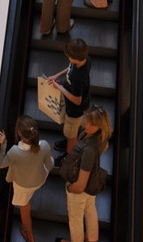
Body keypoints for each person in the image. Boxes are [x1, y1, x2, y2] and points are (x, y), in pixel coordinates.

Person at [0, 115, 53, 242]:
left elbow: (1, 164)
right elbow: (50, 165)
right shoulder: (44, 145)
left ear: (19, 133)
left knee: (24, 206)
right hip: (39, 180)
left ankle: (30, 235)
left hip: (23, 185)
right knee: (27, 198)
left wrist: (4, 144)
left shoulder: (15, 151)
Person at [61, 104, 113, 242]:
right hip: (92, 187)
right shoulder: (101, 137)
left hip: (80, 190)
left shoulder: (89, 149)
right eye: (87, 120)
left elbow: (80, 185)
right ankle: (92, 239)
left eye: (91, 123)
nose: (86, 124)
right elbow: (106, 146)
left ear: (100, 125)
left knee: (75, 220)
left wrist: (69, 188)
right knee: (90, 209)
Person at [47, 38, 91, 155]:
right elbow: (70, 67)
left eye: (69, 57)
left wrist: (59, 88)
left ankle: (68, 154)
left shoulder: (78, 78)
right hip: (75, 103)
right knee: (70, 133)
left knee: (71, 135)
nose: (68, 58)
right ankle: (68, 143)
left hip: (74, 111)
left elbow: (77, 100)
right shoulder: (86, 59)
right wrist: (57, 75)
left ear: (75, 58)